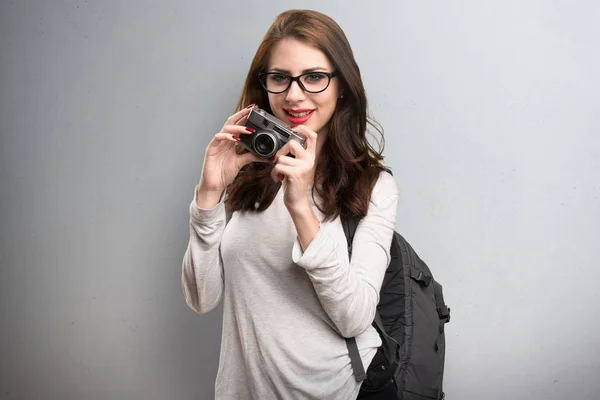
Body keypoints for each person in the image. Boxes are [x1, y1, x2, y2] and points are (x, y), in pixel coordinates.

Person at [181, 9, 399, 400]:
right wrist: (209, 196)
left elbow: (354, 318)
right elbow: (202, 298)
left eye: (314, 77)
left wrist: (301, 208)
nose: (294, 95)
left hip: (335, 392)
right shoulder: (247, 173)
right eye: (280, 77)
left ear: (342, 86)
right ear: (264, 84)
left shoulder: (372, 186)